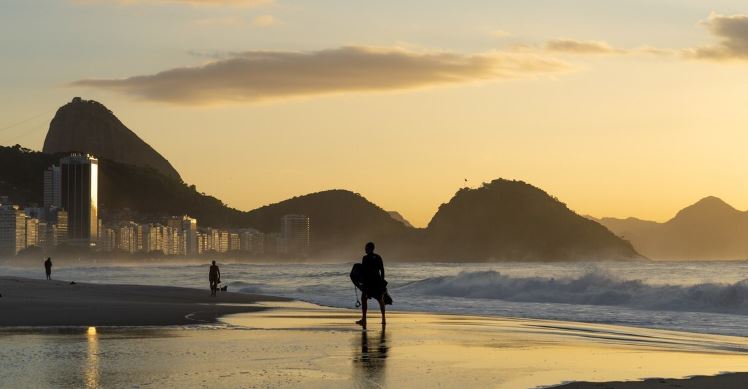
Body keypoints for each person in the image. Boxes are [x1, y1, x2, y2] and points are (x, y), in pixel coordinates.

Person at [356, 242, 387, 328]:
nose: (365, 249)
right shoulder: (378, 257)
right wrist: (382, 281)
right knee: (380, 299)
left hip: (369, 283)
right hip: (377, 282)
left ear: (369, 248)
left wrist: (361, 282)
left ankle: (364, 319)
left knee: (363, 298)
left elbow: (363, 271)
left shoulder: (365, 258)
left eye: (366, 248)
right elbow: (382, 270)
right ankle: (384, 319)